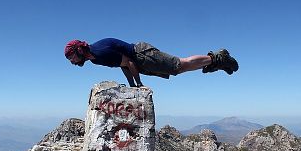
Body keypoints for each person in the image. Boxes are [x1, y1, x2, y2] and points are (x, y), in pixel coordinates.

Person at [64, 38, 238, 87]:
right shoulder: (94, 59)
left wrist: (138, 84)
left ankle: (217, 58)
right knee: (178, 70)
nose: (72, 62)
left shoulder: (100, 52)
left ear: (79, 50)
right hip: (139, 60)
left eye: (72, 57)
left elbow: (129, 62)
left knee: (179, 64)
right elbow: (123, 65)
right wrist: (133, 86)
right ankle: (214, 62)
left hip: (142, 55)